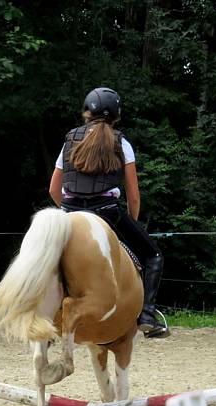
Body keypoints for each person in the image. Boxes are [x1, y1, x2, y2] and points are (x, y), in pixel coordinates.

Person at [49, 87, 170, 339]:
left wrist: (67, 210)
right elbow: (134, 196)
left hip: (68, 213)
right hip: (107, 213)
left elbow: (53, 189)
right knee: (153, 255)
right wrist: (131, 224)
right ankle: (147, 316)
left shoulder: (70, 139)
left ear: (86, 112)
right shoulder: (121, 142)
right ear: (116, 115)